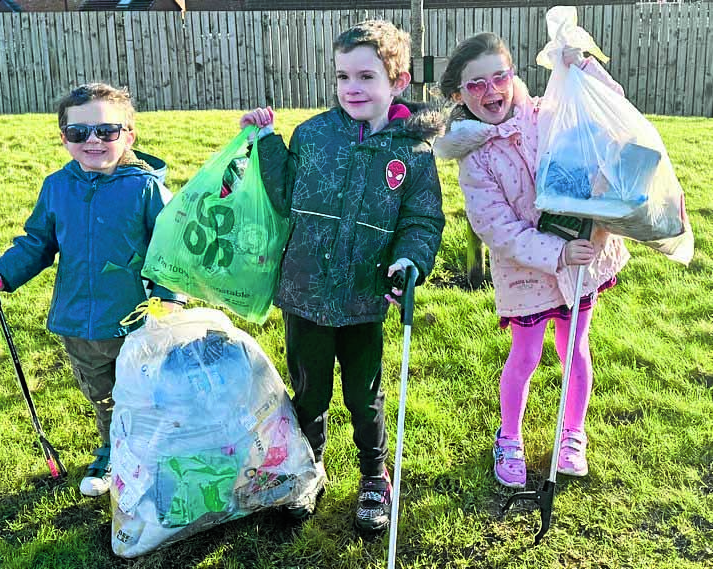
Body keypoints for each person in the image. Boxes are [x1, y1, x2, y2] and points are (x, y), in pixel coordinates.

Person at [239, 20, 445, 531]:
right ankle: (307, 470)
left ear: (397, 82)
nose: (352, 87)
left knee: (363, 392)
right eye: (342, 76)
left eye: (366, 76)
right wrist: (266, 140)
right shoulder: (313, 135)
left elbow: (421, 220)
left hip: (364, 299)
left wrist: (409, 261)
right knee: (309, 391)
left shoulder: (413, 155)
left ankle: (374, 474)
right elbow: (285, 194)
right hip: (306, 293)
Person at [434, 33, 630, 488]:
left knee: (575, 349)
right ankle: (510, 437)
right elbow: (496, 228)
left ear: (514, 75)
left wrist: (580, 67)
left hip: (583, 258)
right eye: (475, 85)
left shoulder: (547, 113)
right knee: (524, 356)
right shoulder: (474, 158)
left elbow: (608, 107)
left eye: (498, 77)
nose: (491, 92)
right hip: (526, 273)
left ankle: (572, 432)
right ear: (459, 95)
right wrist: (555, 254)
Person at [0, 83, 186, 497]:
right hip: (78, 320)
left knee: (141, 392)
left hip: (136, 318)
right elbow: (38, 242)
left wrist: (169, 298)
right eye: (79, 133)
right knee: (101, 394)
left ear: (129, 135)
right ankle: (110, 452)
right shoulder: (57, 186)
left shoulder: (145, 188)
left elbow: (171, 249)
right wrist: (2, 274)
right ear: (63, 138)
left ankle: (151, 453)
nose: (93, 141)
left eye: (106, 131)